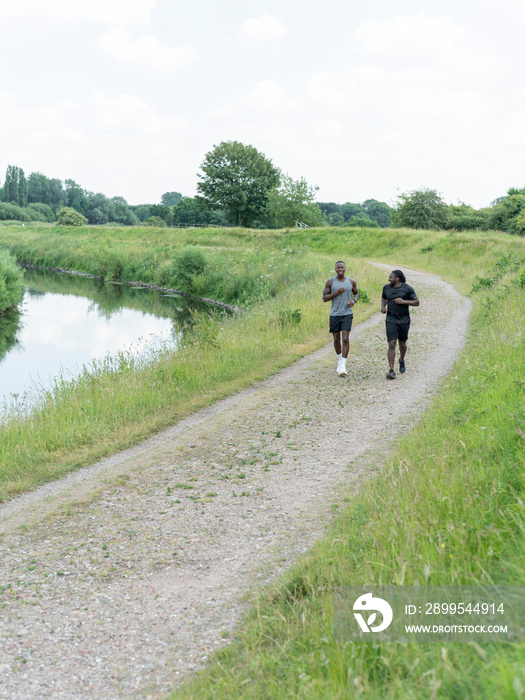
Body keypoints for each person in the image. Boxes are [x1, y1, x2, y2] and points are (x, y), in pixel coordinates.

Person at [381, 269, 419, 379]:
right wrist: (383, 307)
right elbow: (384, 297)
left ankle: (401, 359)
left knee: (402, 344)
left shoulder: (407, 288)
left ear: (397, 279)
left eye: (391, 277)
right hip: (391, 320)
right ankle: (391, 370)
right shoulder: (386, 288)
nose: (389, 279)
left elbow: (417, 302)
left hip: (404, 320)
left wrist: (404, 301)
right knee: (392, 344)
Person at [323, 261, 359, 377]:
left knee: (345, 339)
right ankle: (339, 359)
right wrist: (336, 292)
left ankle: (343, 365)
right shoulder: (331, 282)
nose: (340, 269)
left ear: (345, 269)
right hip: (334, 314)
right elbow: (325, 298)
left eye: (342, 267)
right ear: (335, 269)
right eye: (338, 267)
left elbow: (357, 293)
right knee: (336, 339)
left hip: (347, 314)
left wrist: (353, 301)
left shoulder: (351, 281)